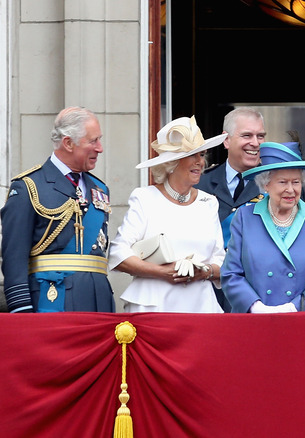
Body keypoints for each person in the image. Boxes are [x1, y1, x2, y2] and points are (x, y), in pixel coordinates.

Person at [108, 116, 227, 313]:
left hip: (201, 308)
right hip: (154, 308)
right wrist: (162, 272)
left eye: (202, 155)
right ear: (172, 163)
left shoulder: (209, 202)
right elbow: (119, 254)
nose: (201, 162)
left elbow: (221, 262)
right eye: (193, 155)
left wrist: (203, 272)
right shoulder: (145, 198)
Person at [1, 107, 114, 313]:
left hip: (98, 300)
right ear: (68, 143)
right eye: (93, 141)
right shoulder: (29, 186)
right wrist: (21, 310)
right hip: (52, 299)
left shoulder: (100, 189)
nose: (100, 148)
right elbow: (14, 257)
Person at [221, 141, 305, 313]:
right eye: (283, 182)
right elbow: (231, 273)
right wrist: (255, 307)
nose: (290, 190)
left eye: (296, 182)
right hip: (253, 321)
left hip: (303, 320)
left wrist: (294, 307)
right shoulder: (244, 218)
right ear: (266, 185)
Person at [194, 107, 266, 312]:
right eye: (247, 135)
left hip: (258, 294)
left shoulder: (279, 185)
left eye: (260, 136)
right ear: (226, 140)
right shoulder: (201, 183)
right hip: (208, 292)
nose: (255, 142)